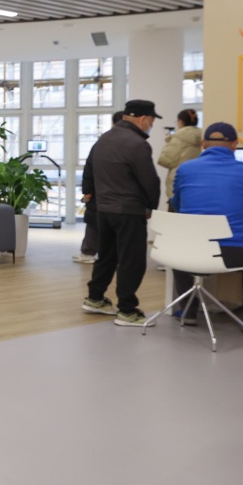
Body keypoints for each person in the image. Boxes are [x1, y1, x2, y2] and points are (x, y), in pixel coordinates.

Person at [170, 122, 243, 332]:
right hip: (230, 253)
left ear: (203, 144)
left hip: (188, 250)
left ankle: (188, 311)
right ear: (234, 145)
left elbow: (177, 203)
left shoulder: (185, 169)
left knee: (183, 250)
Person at [81, 99, 162, 327]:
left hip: (104, 209)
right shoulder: (137, 144)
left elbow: (90, 169)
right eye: (152, 121)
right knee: (132, 260)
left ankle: (95, 298)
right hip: (129, 210)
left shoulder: (104, 138)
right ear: (143, 119)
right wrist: (151, 207)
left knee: (107, 255)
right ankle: (127, 310)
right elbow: (150, 181)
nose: (151, 125)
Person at [74, 110, 123, 264]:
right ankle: (107, 254)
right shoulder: (132, 143)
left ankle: (89, 252)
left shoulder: (103, 141)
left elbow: (89, 167)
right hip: (117, 192)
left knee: (94, 222)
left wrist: (88, 190)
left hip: (100, 190)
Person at [157, 109, 202, 209]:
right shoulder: (201, 136)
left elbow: (165, 160)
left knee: (174, 214)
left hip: (178, 182)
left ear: (181, 121)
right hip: (195, 182)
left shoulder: (178, 137)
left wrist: (170, 141)